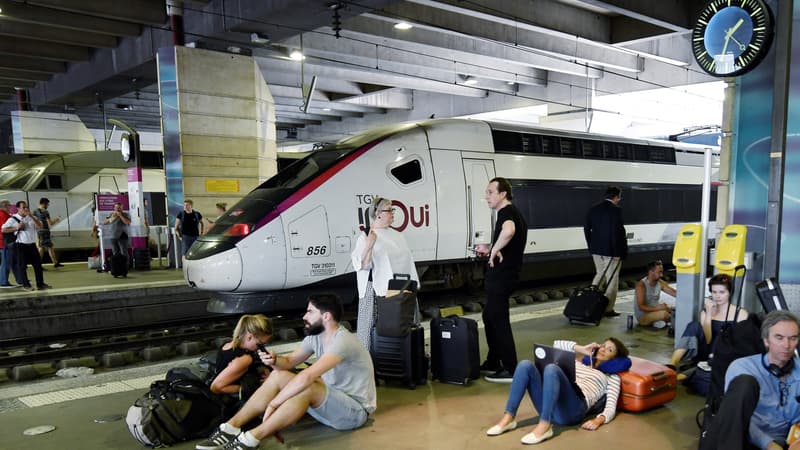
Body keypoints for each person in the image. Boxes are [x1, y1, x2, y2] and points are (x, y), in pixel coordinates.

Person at [195, 294, 376, 450]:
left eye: (310, 312)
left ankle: (251, 438)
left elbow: (307, 376)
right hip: (329, 404)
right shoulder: (315, 338)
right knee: (279, 375)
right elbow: (288, 362)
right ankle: (230, 428)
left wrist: (274, 404)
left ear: (326, 316)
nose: (305, 316)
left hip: (353, 413)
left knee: (306, 385)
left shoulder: (343, 341)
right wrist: (274, 361)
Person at [486, 337, 631, 445]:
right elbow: (557, 344)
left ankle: (545, 426)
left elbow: (611, 406)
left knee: (552, 369)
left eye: (610, 349)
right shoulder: (579, 363)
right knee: (525, 365)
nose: (604, 349)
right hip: (551, 405)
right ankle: (508, 418)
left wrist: (598, 420)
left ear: (615, 358)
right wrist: (582, 349)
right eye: (603, 345)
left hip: (573, 410)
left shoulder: (611, 377)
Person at [700, 310, 800, 450]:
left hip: (788, 441)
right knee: (745, 383)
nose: (787, 345)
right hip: (746, 440)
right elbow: (735, 419)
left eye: (793, 338)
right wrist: (769, 445)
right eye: (779, 337)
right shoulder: (743, 368)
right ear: (766, 340)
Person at [475, 177, 527, 383]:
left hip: (502, 276)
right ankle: (494, 360)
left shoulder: (506, 213)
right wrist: (490, 248)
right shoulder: (511, 213)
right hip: (505, 275)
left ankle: (511, 367)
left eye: (490, 192)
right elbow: (509, 238)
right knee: (489, 316)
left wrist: (494, 250)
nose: (486, 196)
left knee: (499, 320)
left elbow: (509, 231)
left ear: (503, 193)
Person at [351, 196, 420, 351]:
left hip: (402, 287)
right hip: (375, 290)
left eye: (392, 210)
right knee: (370, 326)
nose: (393, 213)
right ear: (378, 213)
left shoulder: (397, 235)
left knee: (403, 322)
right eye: (389, 210)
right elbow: (362, 265)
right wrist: (369, 244)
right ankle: (368, 361)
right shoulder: (367, 235)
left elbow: (407, 261)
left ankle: (404, 355)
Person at [668, 274, 748, 370]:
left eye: (722, 292)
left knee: (723, 335)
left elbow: (740, 343)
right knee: (694, 325)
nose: (717, 296)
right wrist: (709, 313)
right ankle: (672, 363)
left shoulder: (740, 314)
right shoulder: (705, 312)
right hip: (706, 351)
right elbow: (708, 339)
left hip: (725, 354)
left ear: (729, 293)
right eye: (714, 292)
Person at [584, 186, 627, 317]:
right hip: (611, 251)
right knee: (612, 279)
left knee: (600, 274)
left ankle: (590, 301)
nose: (619, 200)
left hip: (596, 250)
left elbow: (586, 228)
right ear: (616, 197)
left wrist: (591, 246)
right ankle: (608, 309)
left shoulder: (593, 209)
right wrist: (620, 252)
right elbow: (618, 233)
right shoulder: (616, 211)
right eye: (619, 197)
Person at [210, 314, 273, 399]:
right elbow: (216, 388)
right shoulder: (244, 359)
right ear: (249, 337)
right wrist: (256, 386)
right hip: (235, 399)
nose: (261, 348)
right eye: (260, 344)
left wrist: (262, 370)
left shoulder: (227, 345)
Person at [5, 201, 48, 291]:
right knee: (22, 266)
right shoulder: (13, 219)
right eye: (23, 207)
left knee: (38, 265)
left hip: (32, 244)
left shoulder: (32, 218)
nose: (26, 209)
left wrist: (31, 216)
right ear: (18, 208)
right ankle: (26, 285)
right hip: (20, 245)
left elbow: (40, 226)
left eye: (27, 207)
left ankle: (40, 284)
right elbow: (3, 230)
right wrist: (16, 227)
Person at [634, 261, 676, 328]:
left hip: (655, 311)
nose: (661, 275)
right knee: (664, 314)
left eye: (662, 272)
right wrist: (657, 308)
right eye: (659, 272)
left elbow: (673, 292)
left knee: (673, 309)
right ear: (651, 272)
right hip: (643, 316)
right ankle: (676, 322)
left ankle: (661, 322)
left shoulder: (659, 282)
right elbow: (641, 307)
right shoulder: (641, 285)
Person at [32, 197, 63, 268]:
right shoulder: (45, 211)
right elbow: (51, 223)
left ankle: (55, 263)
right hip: (45, 231)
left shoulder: (34, 211)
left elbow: (33, 222)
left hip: (39, 231)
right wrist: (57, 219)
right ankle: (38, 265)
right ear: (44, 203)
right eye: (47, 204)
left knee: (50, 247)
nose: (47, 206)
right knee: (42, 248)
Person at [0, 199, 20, 288]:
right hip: (5, 243)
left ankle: (20, 279)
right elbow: (4, 230)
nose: (11, 207)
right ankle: (3, 282)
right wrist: (16, 228)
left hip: (4, 242)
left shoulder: (4, 215)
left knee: (13, 262)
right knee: (6, 262)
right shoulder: (3, 215)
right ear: (5, 206)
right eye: (9, 205)